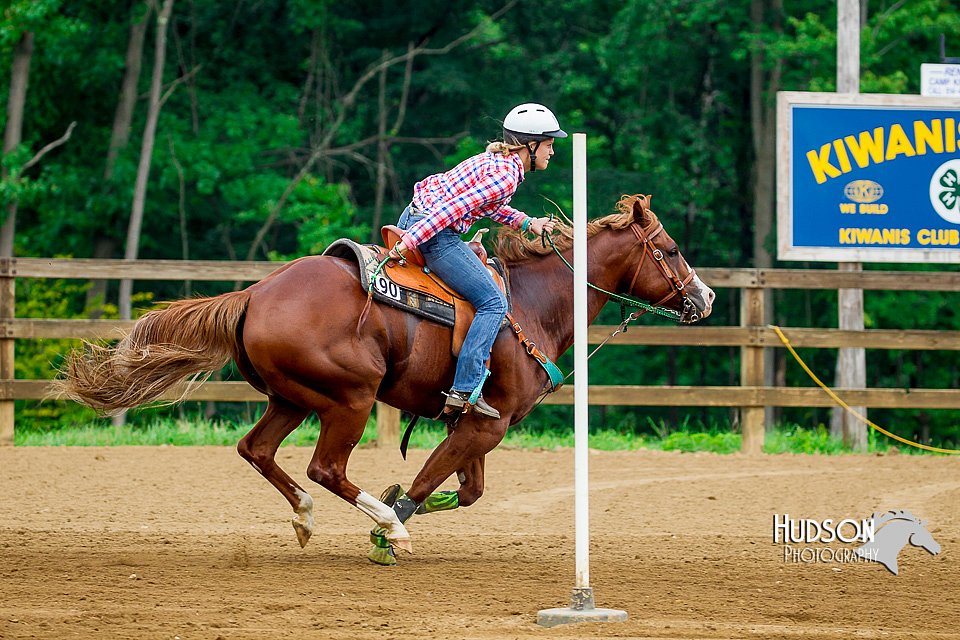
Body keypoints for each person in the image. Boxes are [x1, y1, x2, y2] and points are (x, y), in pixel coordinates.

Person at [388, 103, 566, 419]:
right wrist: (410, 241)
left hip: (418, 215)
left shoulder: (503, 163)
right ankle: (465, 388)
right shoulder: (506, 177)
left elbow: (487, 207)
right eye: (549, 144)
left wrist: (527, 222)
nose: (552, 152)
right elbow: (452, 212)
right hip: (433, 231)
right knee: (494, 303)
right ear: (531, 145)